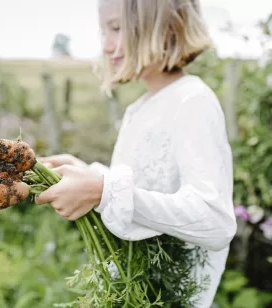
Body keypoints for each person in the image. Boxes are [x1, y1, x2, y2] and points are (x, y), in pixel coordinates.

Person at [34, 0, 237, 306]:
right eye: (103, 31)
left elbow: (215, 220)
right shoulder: (139, 108)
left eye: (115, 28)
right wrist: (90, 173)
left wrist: (101, 190)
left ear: (162, 25)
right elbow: (142, 187)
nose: (106, 45)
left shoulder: (192, 101)